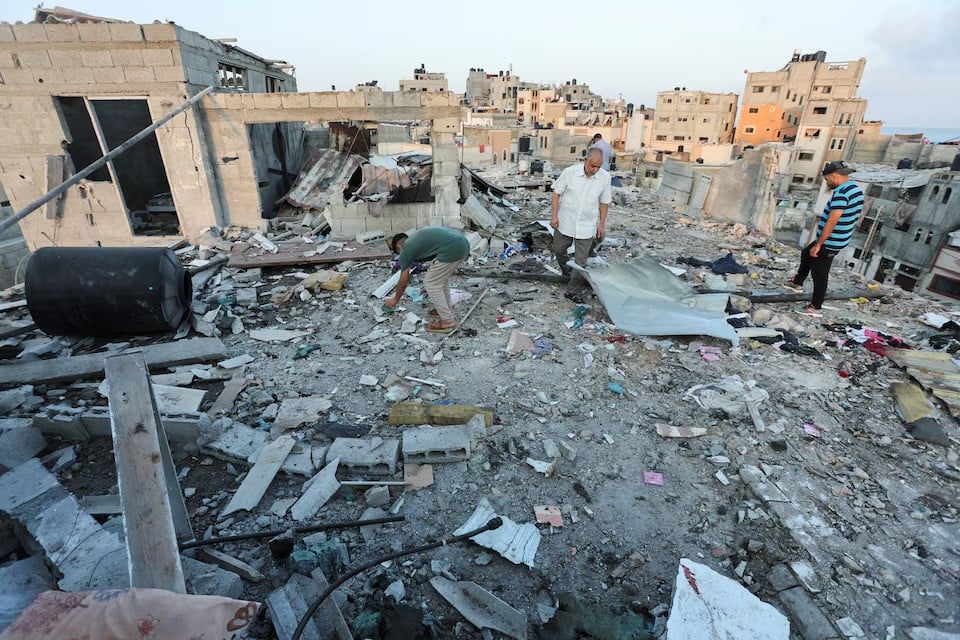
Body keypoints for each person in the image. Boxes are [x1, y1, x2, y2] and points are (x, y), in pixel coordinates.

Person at [789, 161, 863, 313]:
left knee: (820, 274)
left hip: (830, 240)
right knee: (806, 253)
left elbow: (832, 221)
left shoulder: (841, 194)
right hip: (838, 237)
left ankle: (815, 306)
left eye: (827, 180)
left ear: (833, 176)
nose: (827, 183)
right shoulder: (855, 189)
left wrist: (819, 244)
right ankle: (798, 283)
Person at [551, 148, 612, 300]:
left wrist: (601, 224)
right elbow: (556, 193)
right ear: (585, 160)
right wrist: (554, 216)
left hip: (587, 225)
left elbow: (604, 202)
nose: (595, 170)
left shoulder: (605, 178)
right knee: (558, 249)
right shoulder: (570, 172)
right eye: (593, 166)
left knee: (581, 261)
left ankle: (572, 290)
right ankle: (568, 273)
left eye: (599, 166)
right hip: (565, 221)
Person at [384, 227, 470, 333]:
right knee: (441, 281)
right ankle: (443, 310)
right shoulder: (416, 241)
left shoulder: (406, 249)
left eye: (398, 252)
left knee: (431, 284)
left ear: (399, 247)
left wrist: (395, 299)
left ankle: (448, 321)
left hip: (453, 249)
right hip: (462, 243)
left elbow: (403, 280)